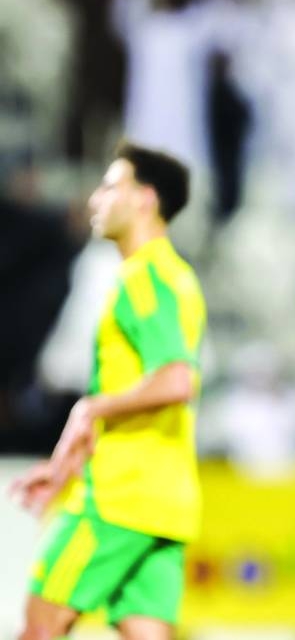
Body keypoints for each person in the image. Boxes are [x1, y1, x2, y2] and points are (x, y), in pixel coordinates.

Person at [9, 142, 206, 640]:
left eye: (109, 185)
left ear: (143, 199)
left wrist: (90, 405)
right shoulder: (178, 276)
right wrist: (63, 469)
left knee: (38, 626)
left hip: (117, 498)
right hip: (164, 500)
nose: (95, 198)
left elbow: (175, 380)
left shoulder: (144, 276)